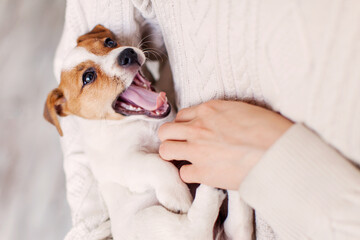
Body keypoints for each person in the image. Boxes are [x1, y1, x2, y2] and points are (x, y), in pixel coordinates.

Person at [55, 0, 360, 239]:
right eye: (91, 75)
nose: (116, 51)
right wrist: (96, 230)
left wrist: (270, 162)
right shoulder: (100, 123)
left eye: (110, 44)